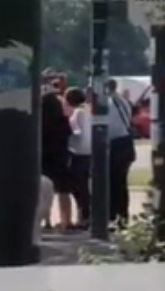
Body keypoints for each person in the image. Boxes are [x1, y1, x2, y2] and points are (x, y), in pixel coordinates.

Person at [41, 91, 74, 230]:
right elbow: (69, 134)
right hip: (60, 156)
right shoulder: (62, 120)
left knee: (44, 191)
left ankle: (47, 220)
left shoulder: (40, 121)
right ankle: (66, 220)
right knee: (63, 190)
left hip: (44, 156)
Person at [107, 79, 136, 226]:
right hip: (126, 143)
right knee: (121, 183)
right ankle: (123, 215)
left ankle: (113, 216)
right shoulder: (123, 101)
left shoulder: (108, 104)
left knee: (111, 183)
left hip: (115, 144)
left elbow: (108, 128)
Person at [65, 87, 92, 229]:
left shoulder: (78, 113)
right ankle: (85, 215)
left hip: (78, 152)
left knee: (79, 187)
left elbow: (77, 132)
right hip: (88, 152)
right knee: (83, 186)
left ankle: (84, 216)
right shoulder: (87, 109)